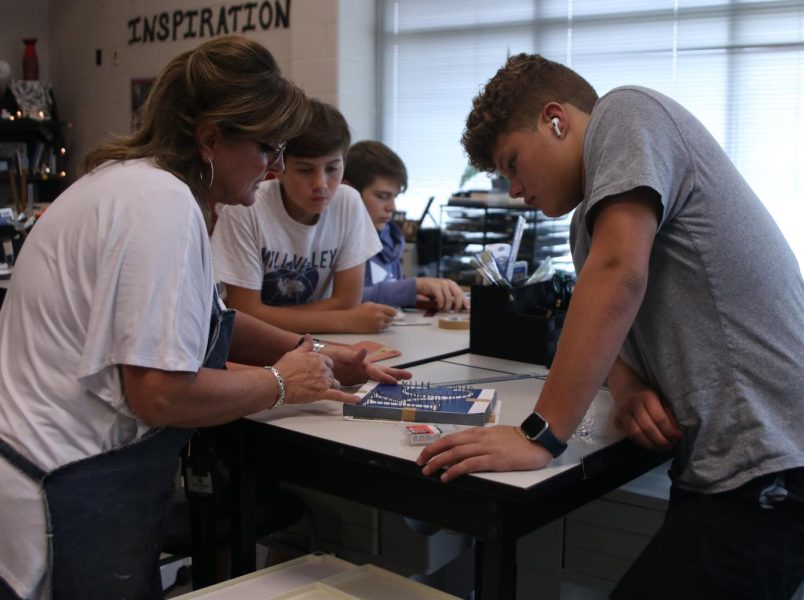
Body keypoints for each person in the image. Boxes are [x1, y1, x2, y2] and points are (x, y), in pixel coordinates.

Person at [417, 53, 804, 599]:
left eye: (512, 163)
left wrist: (540, 434)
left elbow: (619, 276)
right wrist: (627, 387)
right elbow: (622, 332)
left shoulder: (626, 114)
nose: (514, 189)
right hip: (732, 464)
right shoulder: (587, 231)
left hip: (781, 456)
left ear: (556, 119)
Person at [0, 35, 409, 600]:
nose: (274, 170)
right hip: (63, 484)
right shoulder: (159, 205)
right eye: (269, 149)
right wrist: (281, 383)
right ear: (211, 138)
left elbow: (218, 321)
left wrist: (318, 352)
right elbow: (160, 395)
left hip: (72, 474)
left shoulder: (143, 187)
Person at [211, 101, 398, 334]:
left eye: (332, 169)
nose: (321, 184)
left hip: (320, 342)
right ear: (278, 168)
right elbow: (244, 313)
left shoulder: (348, 202)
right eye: (305, 170)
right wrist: (344, 321)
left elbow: (348, 301)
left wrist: (268, 315)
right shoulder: (245, 208)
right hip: (252, 344)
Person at [342, 140, 469, 311]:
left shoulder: (389, 237)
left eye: (394, 197)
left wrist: (419, 296)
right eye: (382, 196)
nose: (392, 207)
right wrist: (412, 287)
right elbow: (342, 300)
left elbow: (390, 292)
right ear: (349, 191)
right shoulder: (337, 241)